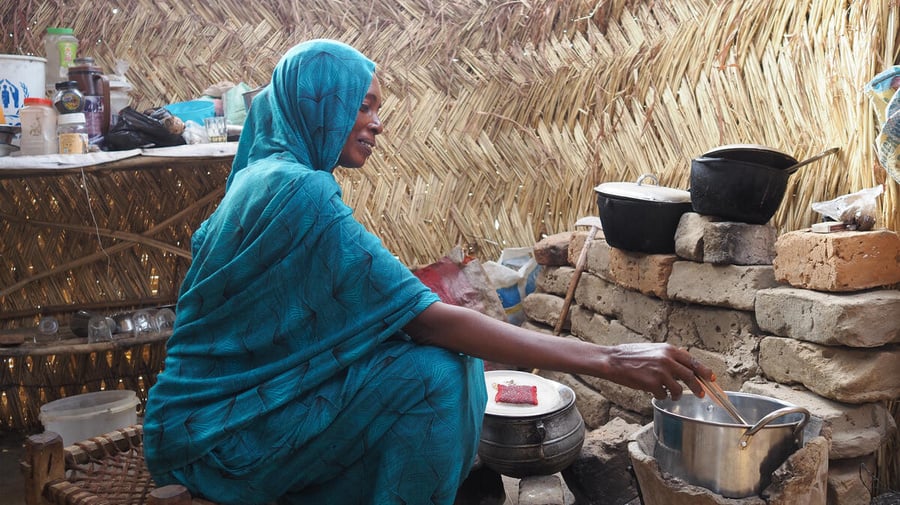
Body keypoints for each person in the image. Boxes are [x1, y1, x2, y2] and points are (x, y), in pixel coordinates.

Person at [142, 39, 712, 505]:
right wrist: (610, 359)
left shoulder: (263, 177)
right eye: (361, 105)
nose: (377, 123)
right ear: (319, 102)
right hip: (218, 436)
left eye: (375, 108)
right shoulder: (297, 191)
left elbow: (345, 314)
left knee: (425, 365)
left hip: (191, 424)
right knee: (437, 376)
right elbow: (425, 320)